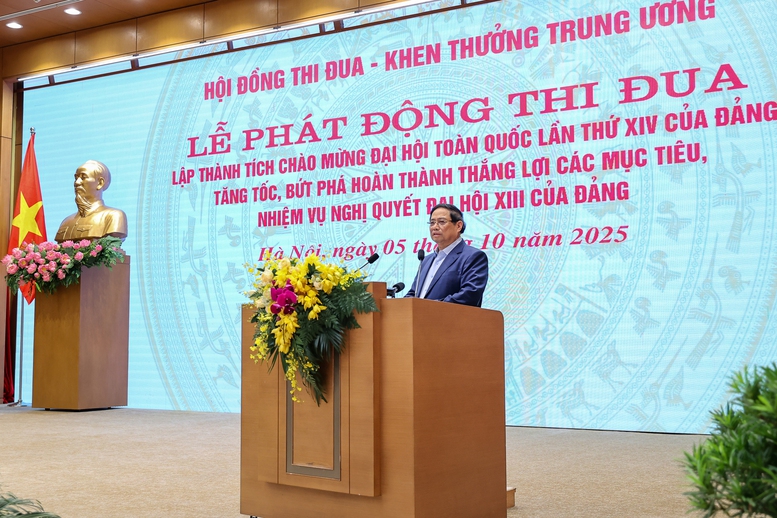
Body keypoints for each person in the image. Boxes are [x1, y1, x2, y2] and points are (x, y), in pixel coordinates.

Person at [405, 203, 488, 307]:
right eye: (432, 223)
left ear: (458, 226)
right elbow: (413, 293)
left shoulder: (473, 257)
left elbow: (469, 294)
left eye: (441, 222)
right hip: (419, 317)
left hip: (451, 317)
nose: (435, 227)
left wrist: (428, 308)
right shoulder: (425, 260)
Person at [55, 160, 128, 242]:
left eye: (83, 177)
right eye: (76, 178)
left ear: (100, 183)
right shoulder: (66, 222)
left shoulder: (114, 216)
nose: (77, 183)